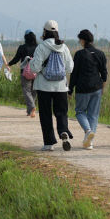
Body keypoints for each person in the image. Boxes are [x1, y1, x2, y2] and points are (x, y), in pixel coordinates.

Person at [29, 20, 74, 151]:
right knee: (62, 112)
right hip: (61, 86)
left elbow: (35, 68)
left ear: (45, 32)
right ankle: (63, 131)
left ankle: (49, 143)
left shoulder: (41, 47)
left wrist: (32, 64)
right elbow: (70, 67)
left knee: (45, 114)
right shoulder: (64, 47)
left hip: (43, 86)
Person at [69, 29, 107, 150]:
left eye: (80, 39)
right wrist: (102, 87)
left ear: (83, 40)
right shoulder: (100, 54)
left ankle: (88, 131)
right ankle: (90, 143)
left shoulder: (79, 54)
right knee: (93, 115)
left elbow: (74, 74)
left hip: (82, 88)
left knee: (80, 111)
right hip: (97, 87)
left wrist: (70, 89)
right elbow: (104, 74)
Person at [7, 30, 39, 117]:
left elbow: (16, 58)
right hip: (36, 72)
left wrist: (9, 63)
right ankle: (30, 110)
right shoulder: (38, 47)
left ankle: (32, 107)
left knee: (26, 90)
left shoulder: (22, 47)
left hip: (25, 72)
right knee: (34, 91)